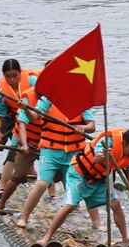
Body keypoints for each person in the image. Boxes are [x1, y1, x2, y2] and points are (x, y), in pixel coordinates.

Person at [35, 128, 129, 247]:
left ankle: (125, 238)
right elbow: (97, 158)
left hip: (100, 178)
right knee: (70, 206)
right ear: (124, 143)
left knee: (116, 203)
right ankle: (47, 237)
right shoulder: (108, 141)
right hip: (79, 174)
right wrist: (105, 155)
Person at [14, 93, 96, 230]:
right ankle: (24, 217)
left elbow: (92, 126)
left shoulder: (82, 102)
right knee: (42, 183)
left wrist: (84, 128)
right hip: (50, 151)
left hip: (73, 153)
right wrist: (26, 109)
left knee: (80, 186)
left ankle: (95, 222)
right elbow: (34, 116)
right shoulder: (48, 99)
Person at [0, 66, 42, 214]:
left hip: (45, 140)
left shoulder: (47, 96)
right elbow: (1, 116)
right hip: (22, 130)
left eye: (15, 76)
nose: (12, 80)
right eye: (8, 76)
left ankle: (54, 196)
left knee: (58, 171)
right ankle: (2, 192)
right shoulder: (24, 97)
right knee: (16, 168)